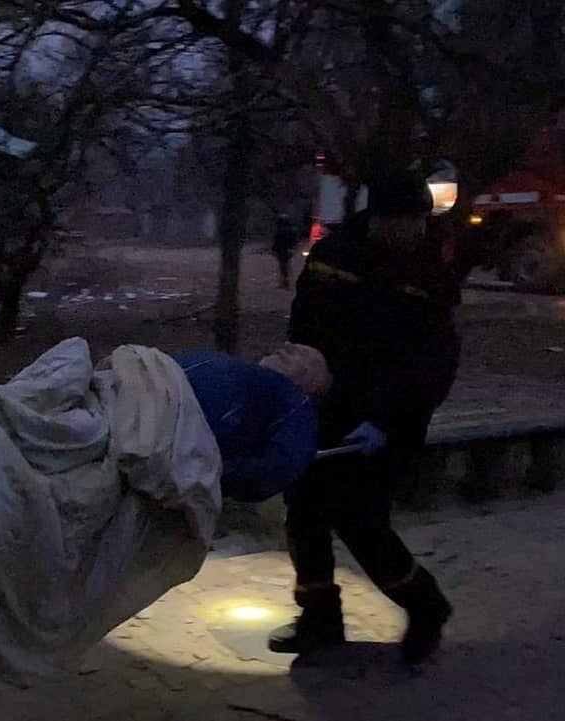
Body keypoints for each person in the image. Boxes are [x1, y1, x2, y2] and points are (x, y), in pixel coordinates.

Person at [267, 168, 460, 664]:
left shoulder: (427, 274)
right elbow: (304, 324)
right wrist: (298, 378)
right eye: (404, 222)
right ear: (378, 218)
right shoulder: (334, 257)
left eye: (420, 222)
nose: (413, 233)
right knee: (305, 515)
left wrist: (389, 421)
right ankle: (319, 620)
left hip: (383, 420)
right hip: (322, 406)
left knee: (361, 523)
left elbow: (434, 362)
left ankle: (426, 605)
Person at [175, 344, 332, 503]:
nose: (287, 346)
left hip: (169, 427)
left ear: (312, 380)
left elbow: (275, 471)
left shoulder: (297, 408)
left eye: (302, 354)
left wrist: (207, 470)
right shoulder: (243, 372)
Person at [272, 215, 299, 288]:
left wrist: (274, 250)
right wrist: (292, 249)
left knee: (283, 267)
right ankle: (286, 282)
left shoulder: (280, 230)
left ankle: (285, 283)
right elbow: (294, 241)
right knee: (285, 266)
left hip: (282, 251)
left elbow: (277, 241)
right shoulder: (291, 230)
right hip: (287, 251)